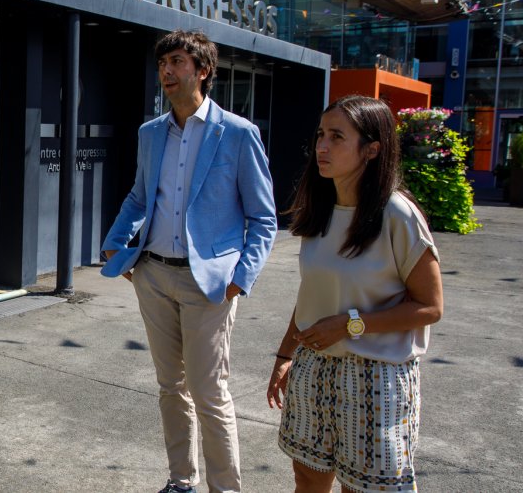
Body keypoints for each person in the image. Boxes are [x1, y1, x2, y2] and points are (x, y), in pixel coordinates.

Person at [101, 30, 277, 493]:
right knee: (169, 388)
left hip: (211, 285)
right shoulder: (150, 133)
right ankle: (182, 480)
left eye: (177, 62)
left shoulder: (238, 134)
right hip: (154, 274)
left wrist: (241, 278)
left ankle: (225, 489)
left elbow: (263, 218)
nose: (167, 72)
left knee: (209, 393)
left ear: (202, 70)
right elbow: (140, 196)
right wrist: (115, 242)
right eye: (163, 64)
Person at [266, 95, 443, 493]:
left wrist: (349, 324)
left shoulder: (396, 214)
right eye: (320, 136)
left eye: (337, 137)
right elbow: (313, 293)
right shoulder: (321, 208)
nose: (322, 147)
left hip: (374, 375)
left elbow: (430, 306)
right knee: (307, 476)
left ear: (372, 148)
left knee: (364, 487)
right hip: (313, 367)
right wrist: (284, 355)